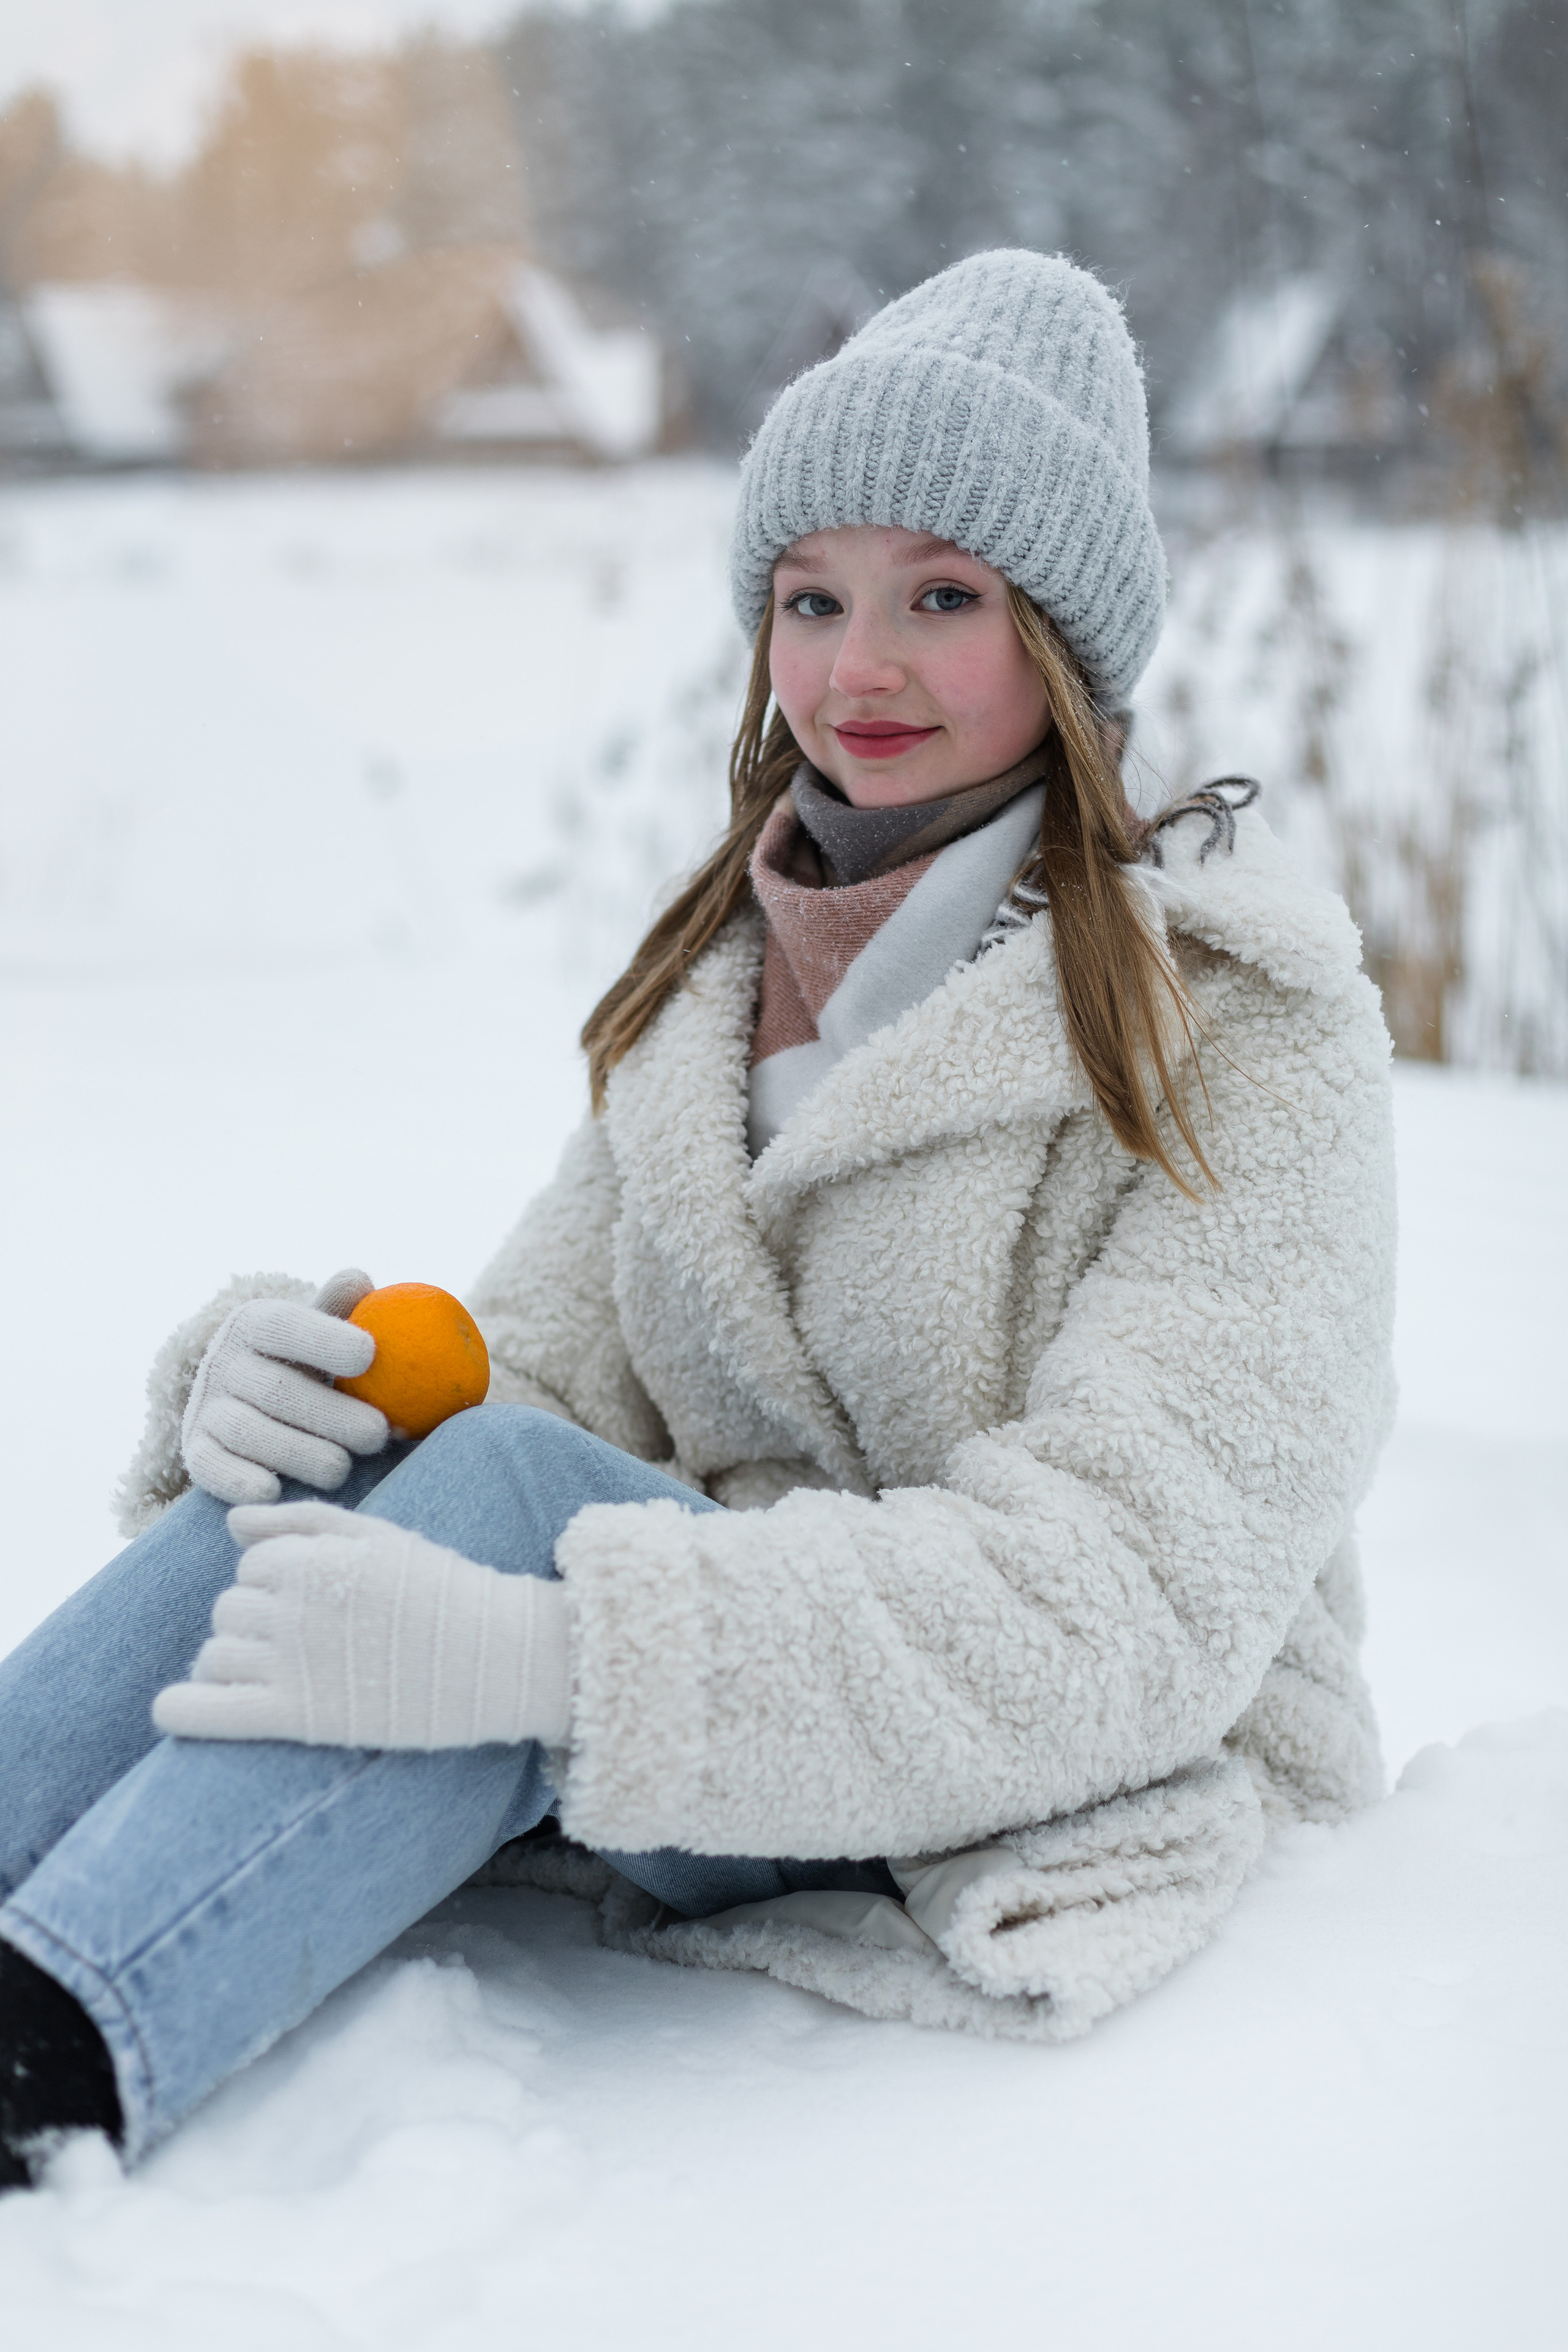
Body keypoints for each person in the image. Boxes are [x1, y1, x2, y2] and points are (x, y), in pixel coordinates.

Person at [0, 249, 1396, 2188]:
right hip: (738, 1743)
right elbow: (537, 1390)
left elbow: (1128, 1605)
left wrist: (569, 1659)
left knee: (500, 1494)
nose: (858, 669)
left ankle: (47, 2050)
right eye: (811, 598)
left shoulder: (1236, 1029)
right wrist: (281, 1394)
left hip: (1069, 1778)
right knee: (389, 1447)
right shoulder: (719, 995)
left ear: (1065, 638)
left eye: (942, 597)